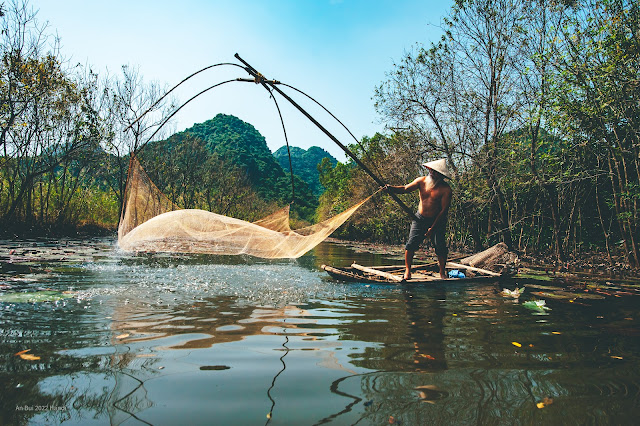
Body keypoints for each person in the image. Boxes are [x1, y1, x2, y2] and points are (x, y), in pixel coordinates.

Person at [384, 159, 452, 280]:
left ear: (441, 175)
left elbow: (443, 211)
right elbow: (405, 189)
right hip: (420, 218)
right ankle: (408, 271)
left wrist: (433, 228)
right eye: (432, 171)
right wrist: (391, 188)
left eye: (436, 173)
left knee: (440, 246)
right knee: (411, 244)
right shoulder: (421, 181)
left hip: (437, 220)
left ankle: (442, 272)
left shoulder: (446, 189)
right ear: (429, 170)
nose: (433, 174)